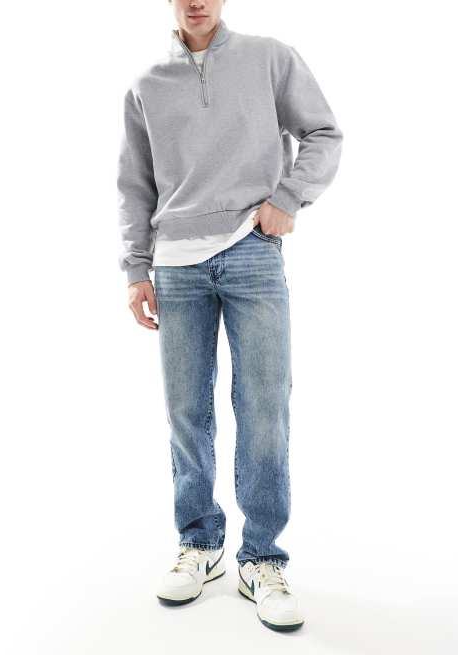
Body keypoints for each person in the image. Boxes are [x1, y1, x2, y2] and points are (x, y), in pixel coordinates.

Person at [116, 0, 343, 632]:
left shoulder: (268, 57)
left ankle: (262, 558)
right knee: (186, 411)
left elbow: (324, 133)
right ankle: (199, 543)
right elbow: (135, 183)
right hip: (175, 265)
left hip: (252, 250)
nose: (196, 1)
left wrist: (288, 197)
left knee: (265, 406)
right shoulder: (146, 83)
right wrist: (136, 268)